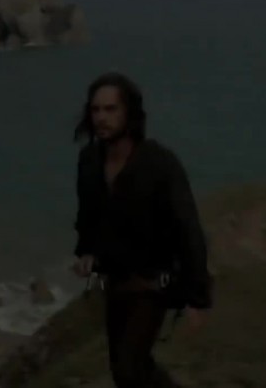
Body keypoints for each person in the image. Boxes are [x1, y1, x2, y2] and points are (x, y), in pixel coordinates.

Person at [71, 72, 213, 388]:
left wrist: (198, 297)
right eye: (96, 110)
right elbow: (88, 217)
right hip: (115, 282)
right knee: (126, 370)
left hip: (153, 284)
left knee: (129, 367)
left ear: (130, 113)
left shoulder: (160, 163)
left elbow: (189, 229)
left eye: (111, 109)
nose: (101, 118)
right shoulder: (89, 161)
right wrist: (87, 251)